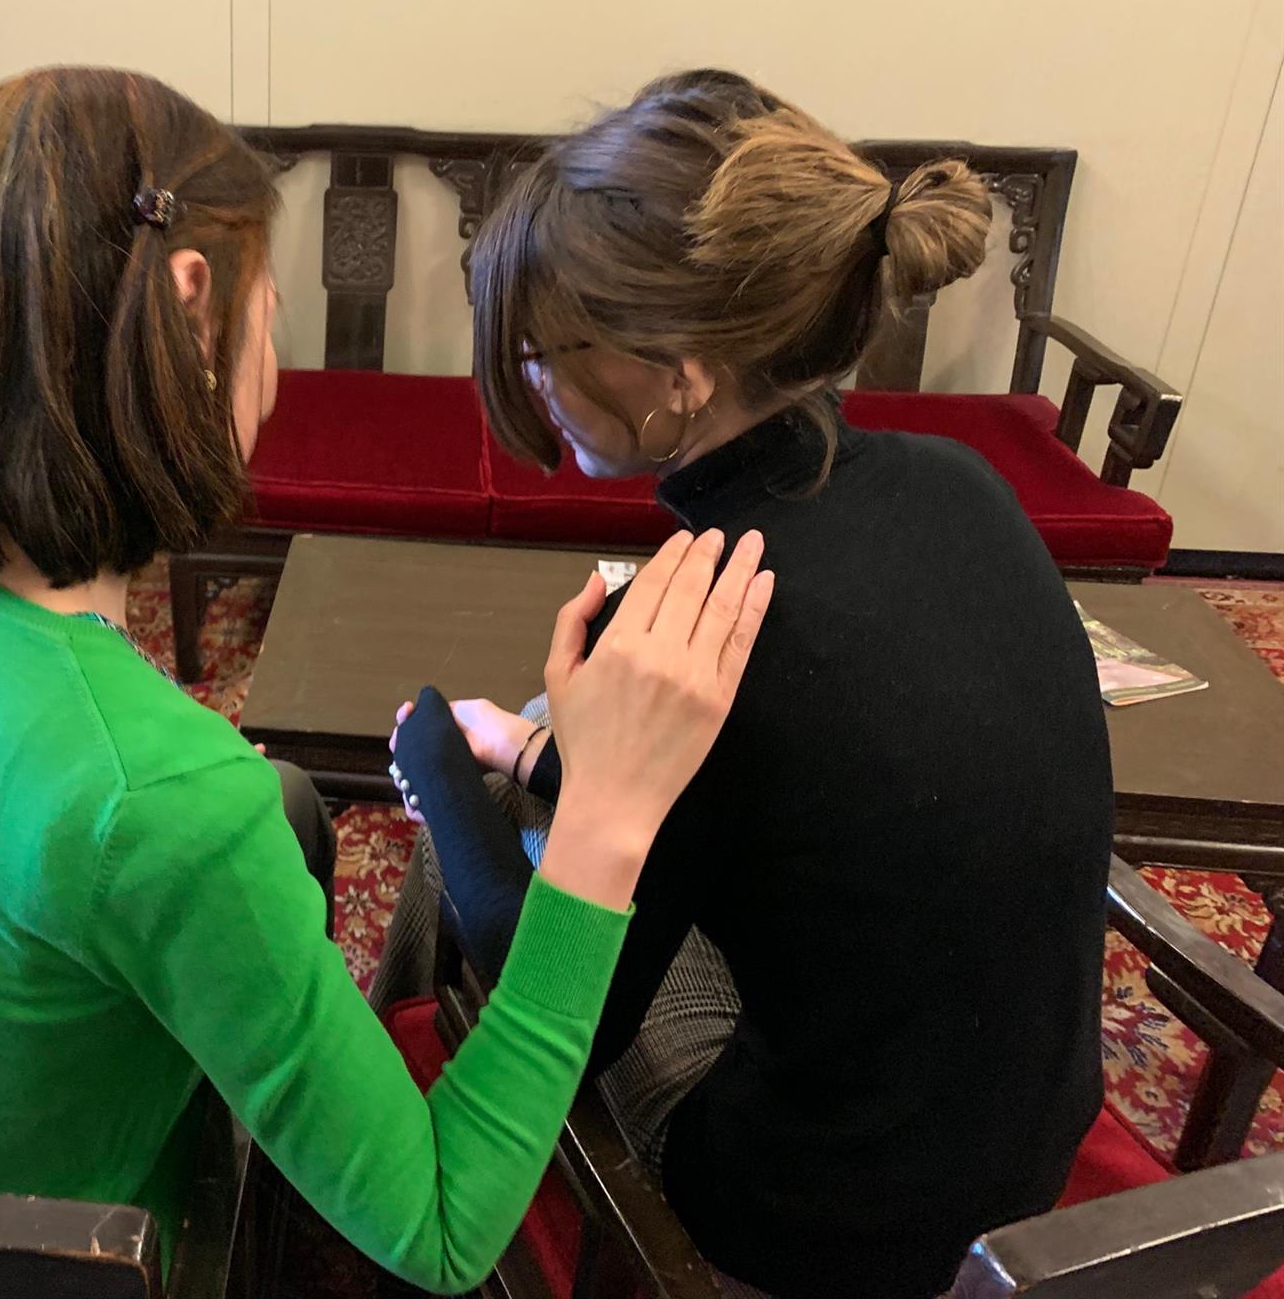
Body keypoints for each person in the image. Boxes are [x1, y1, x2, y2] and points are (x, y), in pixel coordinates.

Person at [0, 67, 774, 1295]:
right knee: (262, 815)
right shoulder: (164, 802)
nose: (277, 355)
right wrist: (601, 830)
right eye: (272, 314)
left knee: (283, 803)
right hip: (9, 1253)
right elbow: (441, 1228)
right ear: (192, 300)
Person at [372, 69, 1113, 1299]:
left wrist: (436, 757)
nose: (534, 379)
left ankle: (409, 1146)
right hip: (1023, 1144)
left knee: (472, 847)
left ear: (680, 371)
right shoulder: (962, 485)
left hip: (821, 1217)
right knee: (538, 751)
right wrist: (535, 746)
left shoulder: (704, 628)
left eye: (548, 350)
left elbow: (571, 1007)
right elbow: (784, 793)